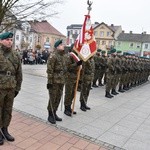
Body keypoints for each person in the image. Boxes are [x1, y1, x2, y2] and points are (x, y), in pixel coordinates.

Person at [0, 32, 22, 145]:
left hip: (11, 87)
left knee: (8, 110)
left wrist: (18, 88)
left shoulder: (16, 55)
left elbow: (19, 73)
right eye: (7, 39)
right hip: (0, 87)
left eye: (11, 39)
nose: (10, 41)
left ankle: (5, 129)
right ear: (1, 40)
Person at [47, 39, 66, 124]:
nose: (63, 46)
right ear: (57, 46)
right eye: (62, 45)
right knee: (53, 97)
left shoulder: (63, 56)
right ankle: (50, 114)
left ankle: (54, 112)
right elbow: (50, 70)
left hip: (61, 80)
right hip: (54, 80)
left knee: (58, 97)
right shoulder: (53, 56)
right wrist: (49, 82)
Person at [64, 44, 82, 116]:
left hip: (75, 77)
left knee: (73, 94)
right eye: (77, 48)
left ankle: (69, 107)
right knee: (68, 93)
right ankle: (66, 109)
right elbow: (68, 67)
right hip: (69, 78)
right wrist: (77, 64)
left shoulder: (77, 56)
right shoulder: (69, 56)